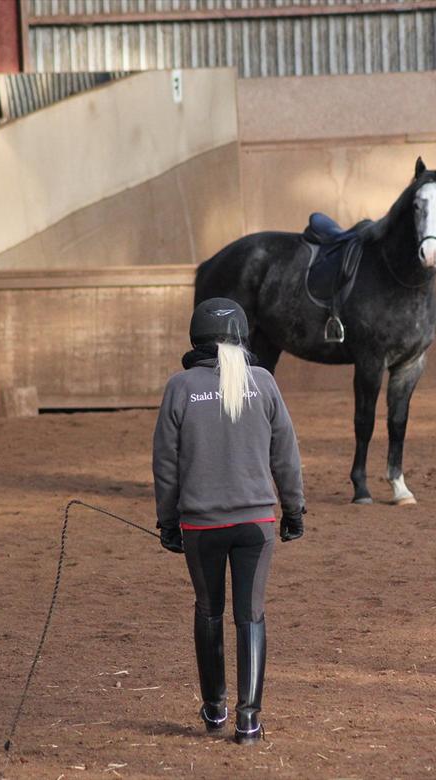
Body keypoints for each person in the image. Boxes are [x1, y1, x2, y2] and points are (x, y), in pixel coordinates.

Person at [152, 298, 306, 745]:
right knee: (250, 616)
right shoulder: (263, 383)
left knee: (208, 611)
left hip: (201, 527)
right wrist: (294, 511)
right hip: (255, 525)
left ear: (195, 338)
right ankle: (249, 720)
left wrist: (167, 521)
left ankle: (214, 709)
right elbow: (286, 456)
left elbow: (165, 463)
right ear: (241, 335)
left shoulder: (180, 387)